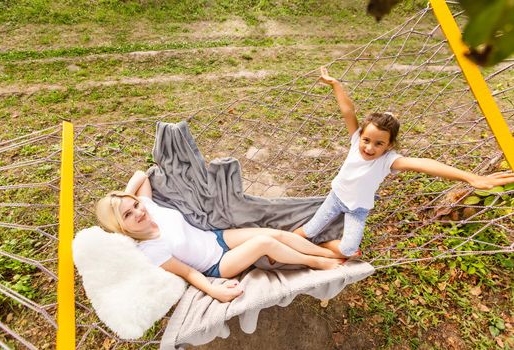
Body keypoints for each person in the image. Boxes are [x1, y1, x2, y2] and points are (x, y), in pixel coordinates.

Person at [294, 66, 514, 259]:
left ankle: (319, 248)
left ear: (389, 145)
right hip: (335, 199)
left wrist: (471, 177)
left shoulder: (388, 160)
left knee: (349, 249)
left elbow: (425, 164)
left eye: (379, 144)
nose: (370, 148)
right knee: (307, 231)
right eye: (367, 140)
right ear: (360, 135)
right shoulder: (355, 141)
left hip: (358, 209)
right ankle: (296, 245)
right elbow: (348, 111)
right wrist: (335, 84)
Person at [95, 170, 342, 303]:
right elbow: (189, 273)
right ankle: (318, 263)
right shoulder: (149, 249)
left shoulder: (150, 208)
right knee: (264, 243)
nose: (138, 212)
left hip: (216, 237)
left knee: (273, 232)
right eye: (128, 215)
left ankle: (325, 251)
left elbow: (141, 174)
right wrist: (215, 292)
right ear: (120, 226)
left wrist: (122, 200)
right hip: (216, 265)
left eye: (135, 205)